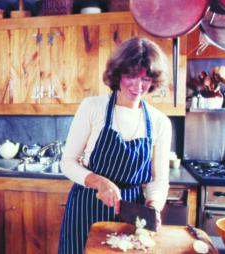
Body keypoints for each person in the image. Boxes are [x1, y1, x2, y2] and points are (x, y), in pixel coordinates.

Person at [58, 36, 172, 254]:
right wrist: (100, 182)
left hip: (131, 213)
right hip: (87, 205)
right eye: (131, 76)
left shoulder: (160, 122)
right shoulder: (92, 107)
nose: (138, 86)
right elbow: (68, 162)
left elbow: (159, 180)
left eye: (146, 79)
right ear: (118, 73)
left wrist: (154, 208)